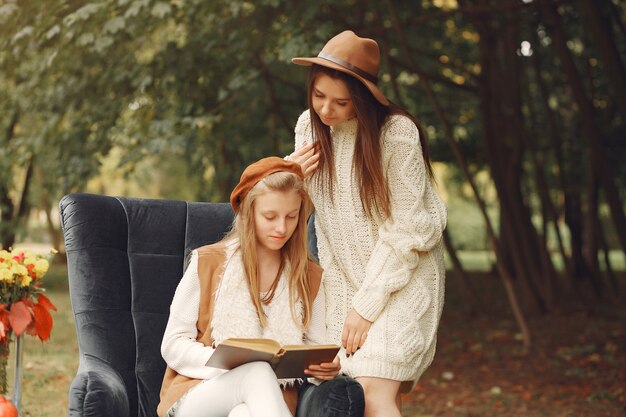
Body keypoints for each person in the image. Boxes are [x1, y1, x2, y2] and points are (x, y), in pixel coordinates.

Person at [288, 30, 448, 417]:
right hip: (344, 285)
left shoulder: (396, 134)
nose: (326, 110)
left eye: (341, 102)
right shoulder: (309, 130)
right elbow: (286, 214)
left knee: (374, 389)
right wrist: (289, 173)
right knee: (358, 391)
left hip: (403, 280)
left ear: (363, 97)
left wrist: (366, 306)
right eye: (319, 96)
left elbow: (409, 230)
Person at [156, 157, 341, 417]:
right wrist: (224, 361)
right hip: (199, 395)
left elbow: (315, 348)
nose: (281, 228)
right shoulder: (207, 262)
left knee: (243, 414)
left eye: (291, 216)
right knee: (257, 371)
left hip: (266, 403)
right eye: (270, 216)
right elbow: (173, 343)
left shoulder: (309, 277)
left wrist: (325, 369)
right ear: (248, 212)